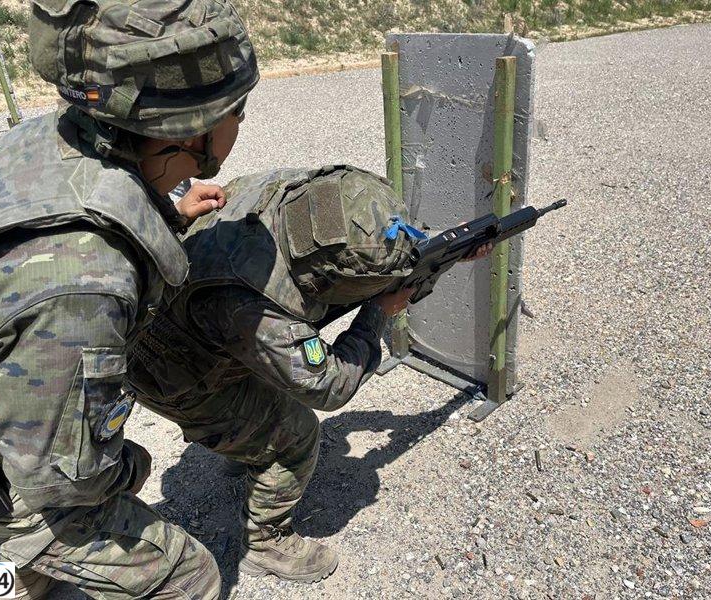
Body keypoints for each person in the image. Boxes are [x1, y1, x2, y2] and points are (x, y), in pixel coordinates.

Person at [0, 1, 258, 598]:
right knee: (189, 575)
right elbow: (59, 476)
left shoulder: (43, 137)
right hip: (2, 469)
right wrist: (123, 467)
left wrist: (161, 213)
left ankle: (30, 578)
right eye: (238, 111)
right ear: (194, 129)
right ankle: (27, 555)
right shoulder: (85, 281)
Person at [126, 165, 489, 584]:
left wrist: (443, 244)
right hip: (173, 369)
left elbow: (372, 233)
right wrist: (376, 315)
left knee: (267, 386)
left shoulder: (297, 197)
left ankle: (244, 446)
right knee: (296, 433)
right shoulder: (255, 305)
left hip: (196, 322)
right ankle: (264, 542)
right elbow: (328, 386)